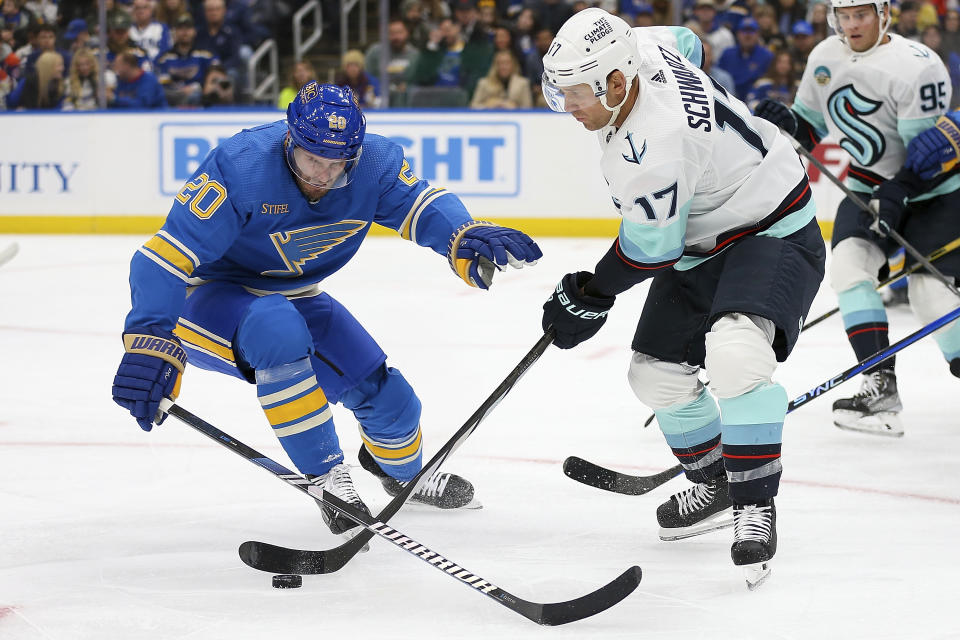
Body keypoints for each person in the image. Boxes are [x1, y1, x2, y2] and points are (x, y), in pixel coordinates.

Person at [110, 82, 542, 538]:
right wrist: (149, 336)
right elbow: (162, 257)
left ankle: (402, 475)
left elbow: (422, 203)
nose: (322, 175)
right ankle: (326, 479)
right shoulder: (241, 167)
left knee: (390, 400)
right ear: (289, 140)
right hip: (206, 298)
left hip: (297, 294)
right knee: (277, 330)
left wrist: (462, 233)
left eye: (337, 164)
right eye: (312, 158)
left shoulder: (375, 164)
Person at [539, 8, 824, 586]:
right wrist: (728, 120)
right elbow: (688, 43)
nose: (567, 107)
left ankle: (753, 503)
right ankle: (718, 481)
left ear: (617, 82)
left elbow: (649, 251)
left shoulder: (654, 147)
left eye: (575, 94)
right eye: (559, 91)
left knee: (736, 354)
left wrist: (591, 295)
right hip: (705, 238)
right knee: (655, 377)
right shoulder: (640, 45)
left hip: (774, 225)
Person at [754, 0, 959, 437]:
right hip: (868, 188)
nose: (851, 25)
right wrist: (787, 124)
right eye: (843, 16)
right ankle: (879, 385)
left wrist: (898, 193)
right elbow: (809, 128)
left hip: (933, 195)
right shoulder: (825, 56)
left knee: (929, 297)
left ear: (884, 14)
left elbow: (929, 156)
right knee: (849, 267)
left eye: (861, 14)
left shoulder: (917, 66)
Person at [155, 13, 218, 107]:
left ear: (194, 31)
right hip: (173, 95)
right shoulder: (165, 58)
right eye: (180, 28)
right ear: (175, 32)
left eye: (188, 28)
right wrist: (178, 90)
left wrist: (197, 87)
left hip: (198, 95)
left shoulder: (205, 55)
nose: (185, 32)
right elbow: (161, 81)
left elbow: (217, 73)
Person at [716, 17, 774, 99]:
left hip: (755, 100)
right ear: (737, 34)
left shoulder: (767, 56)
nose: (747, 35)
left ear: (758, 34)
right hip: (729, 98)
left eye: (751, 31)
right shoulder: (727, 54)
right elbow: (718, 77)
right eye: (744, 31)